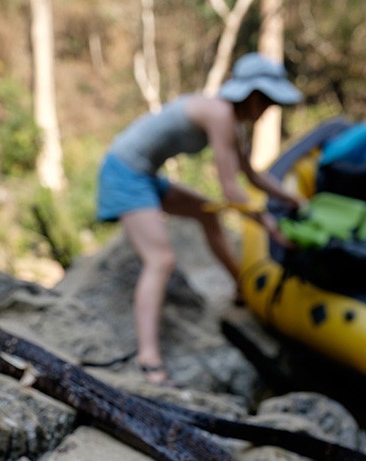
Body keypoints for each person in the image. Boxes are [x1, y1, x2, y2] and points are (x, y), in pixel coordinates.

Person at [97, 53, 307, 385]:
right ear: (253, 96)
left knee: (207, 216)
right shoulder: (219, 113)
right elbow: (231, 190)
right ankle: (148, 357)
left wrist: (292, 198)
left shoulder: (231, 122)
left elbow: (251, 176)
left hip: (146, 176)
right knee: (161, 260)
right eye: (267, 102)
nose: (269, 110)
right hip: (124, 174)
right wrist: (269, 224)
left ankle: (241, 286)